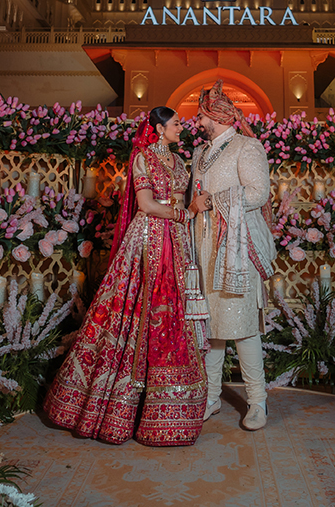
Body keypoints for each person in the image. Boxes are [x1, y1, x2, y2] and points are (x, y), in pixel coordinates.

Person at [44, 107, 208, 446]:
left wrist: (188, 213)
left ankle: (163, 409)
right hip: (149, 239)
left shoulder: (179, 161)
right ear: (160, 128)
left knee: (172, 315)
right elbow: (146, 205)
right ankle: (119, 408)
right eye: (176, 123)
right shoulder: (143, 158)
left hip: (176, 239)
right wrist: (185, 213)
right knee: (133, 314)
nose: (182, 127)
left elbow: (183, 197)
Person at [189, 80, 277, 430]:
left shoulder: (247, 147)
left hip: (236, 249)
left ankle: (258, 402)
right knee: (211, 328)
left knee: (241, 327)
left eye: (200, 117)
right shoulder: (200, 153)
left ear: (217, 116)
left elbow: (258, 193)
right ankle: (211, 397)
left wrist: (211, 201)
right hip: (203, 248)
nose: (196, 123)